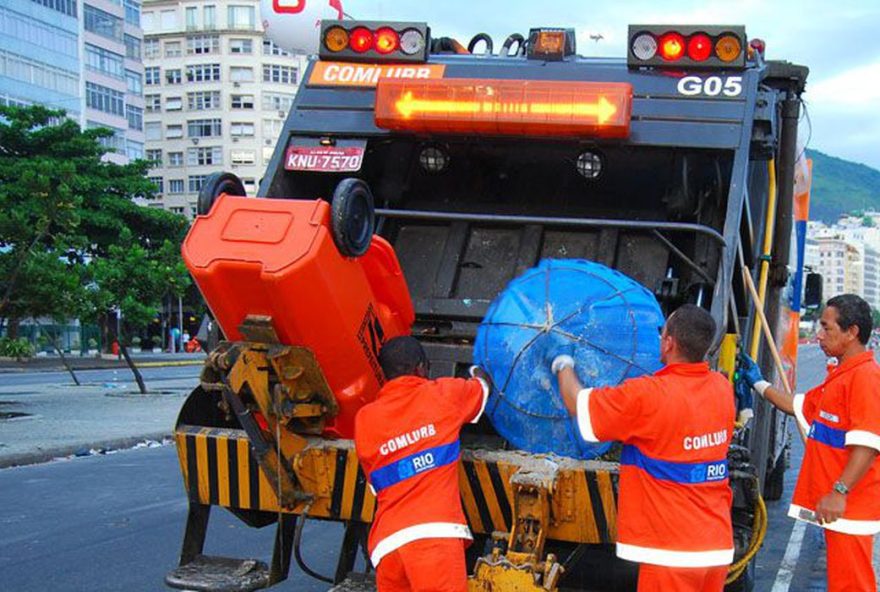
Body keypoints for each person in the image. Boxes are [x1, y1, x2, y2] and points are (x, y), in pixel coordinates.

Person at [548, 304, 735, 592]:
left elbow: (578, 403)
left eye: (663, 333)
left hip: (671, 552)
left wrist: (562, 362)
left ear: (669, 342)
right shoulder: (721, 388)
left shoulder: (649, 396)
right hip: (714, 545)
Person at [739, 294, 880, 592]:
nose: (818, 336)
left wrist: (839, 492)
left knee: (852, 586)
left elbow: (868, 445)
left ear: (852, 332)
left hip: (849, 509)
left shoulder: (865, 379)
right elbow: (796, 405)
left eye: (827, 328)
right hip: (837, 509)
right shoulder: (840, 377)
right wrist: (758, 382)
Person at [353, 336, 491, 591]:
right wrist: (477, 369)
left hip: (388, 545)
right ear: (420, 368)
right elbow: (483, 387)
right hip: (434, 540)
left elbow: (378, 485)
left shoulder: (364, 420)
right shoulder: (444, 394)